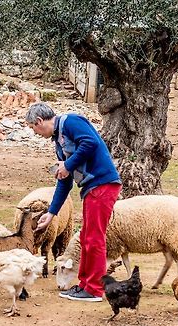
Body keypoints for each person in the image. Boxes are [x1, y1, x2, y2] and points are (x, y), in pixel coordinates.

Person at [26, 102, 121, 302]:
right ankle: (84, 284)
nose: (35, 133)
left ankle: (95, 289)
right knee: (87, 237)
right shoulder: (59, 144)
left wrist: (68, 165)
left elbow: (90, 143)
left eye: (33, 128)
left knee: (95, 238)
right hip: (90, 189)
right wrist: (51, 213)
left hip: (102, 184)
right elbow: (64, 181)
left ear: (39, 121)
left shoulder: (71, 122)